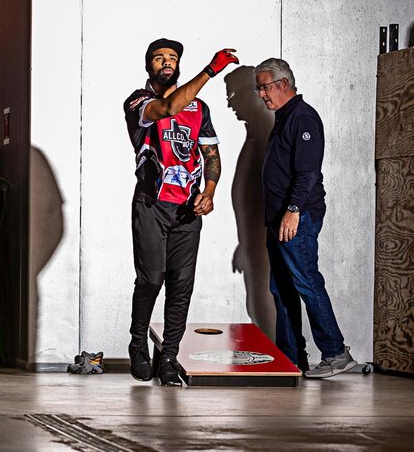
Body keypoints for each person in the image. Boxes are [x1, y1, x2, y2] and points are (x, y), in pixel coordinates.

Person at [123, 39, 238, 386]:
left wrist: (211, 191)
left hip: (188, 210)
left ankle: (169, 357)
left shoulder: (200, 109)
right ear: (148, 67)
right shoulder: (138, 102)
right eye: (158, 58)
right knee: (151, 279)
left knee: (181, 286)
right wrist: (211, 70)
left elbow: (211, 155)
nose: (166, 62)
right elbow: (169, 108)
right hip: (151, 205)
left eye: (172, 57)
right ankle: (137, 343)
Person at [254, 58, 357, 378]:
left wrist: (293, 211)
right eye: (257, 89)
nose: (261, 95)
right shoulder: (284, 118)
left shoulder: (303, 117)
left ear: (284, 84)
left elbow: (308, 172)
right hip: (279, 219)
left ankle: (336, 352)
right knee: (281, 287)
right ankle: (288, 358)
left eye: (264, 87)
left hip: (296, 217)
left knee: (306, 280)